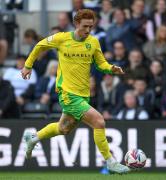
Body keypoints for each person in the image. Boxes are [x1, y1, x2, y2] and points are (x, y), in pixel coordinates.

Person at [21, 9, 130, 174]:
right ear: (76, 23)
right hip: (67, 94)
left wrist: (111, 69)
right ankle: (110, 162)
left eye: (91, 27)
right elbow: (39, 46)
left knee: (63, 129)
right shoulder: (62, 38)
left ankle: (33, 138)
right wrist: (28, 66)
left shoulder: (93, 42)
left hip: (83, 95)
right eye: (85, 26)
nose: (88, 30)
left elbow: (101, 64)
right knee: (99, 121)